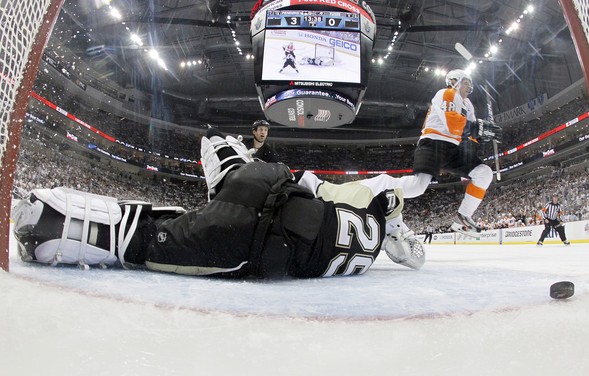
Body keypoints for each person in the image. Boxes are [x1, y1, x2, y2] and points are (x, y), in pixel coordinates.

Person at [11, 129, 425, 279]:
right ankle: (49, 224)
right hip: (263, 245)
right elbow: (414, 257)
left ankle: (237, 167)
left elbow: (332, 188)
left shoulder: (375, 204)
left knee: (260, 184)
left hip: (276, 182)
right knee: (143, 241)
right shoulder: (363, 261)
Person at [400, 69, 501, 235]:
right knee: (418, 187)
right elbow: (453, 124)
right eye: (466, 82)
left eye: (470, 83)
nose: (470, 86)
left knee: (484, 173)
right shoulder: (445, 93)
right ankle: (384, 192)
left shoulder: (467, 104)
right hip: (433, 142)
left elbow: (471, 131)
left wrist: (484, 135)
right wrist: (477, 129)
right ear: (455, 81)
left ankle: (463, 218)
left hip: (453, 147)